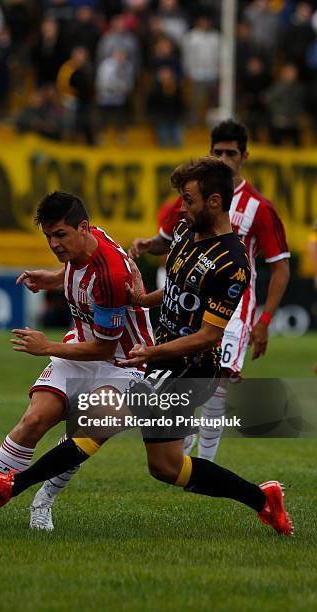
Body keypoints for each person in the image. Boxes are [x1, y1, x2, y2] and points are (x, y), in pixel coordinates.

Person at [0, 158, 293, 537]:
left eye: (188, 199)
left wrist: (152, 354)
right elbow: (179, 289)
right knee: (167, 467)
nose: (181, 206)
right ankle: (264, 500)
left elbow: (210, 336)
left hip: (190, 370)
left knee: (98, 418)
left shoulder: (233, 262)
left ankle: (13, 485)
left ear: (213, 201)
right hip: (163, 358)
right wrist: (145, 301)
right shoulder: (185, 231)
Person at [0, 191, 153, 531]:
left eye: (60, 235)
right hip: (84, 345)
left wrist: (46, 346)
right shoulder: (90, 242)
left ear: (83, 228)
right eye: (48, 236)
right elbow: (75, 272)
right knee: (35, 418)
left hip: (125, 363)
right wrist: (52, 278)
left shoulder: (108, 275)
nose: (54, 244)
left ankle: (42, 502)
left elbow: (105, 350)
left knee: (80, 435)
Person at [129, 119, 290, 461]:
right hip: (191, 296)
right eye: (217, 151)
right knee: (186, 374)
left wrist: (264, 320)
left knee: (219, 381)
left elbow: (280, 267)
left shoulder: (261, 208)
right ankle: (182, 449)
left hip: (236, 305)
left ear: (244, 156)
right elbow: (168, 240)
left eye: (231, 152)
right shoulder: (195, 195)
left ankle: (205, 461)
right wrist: (149, 243)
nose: (224, 157)